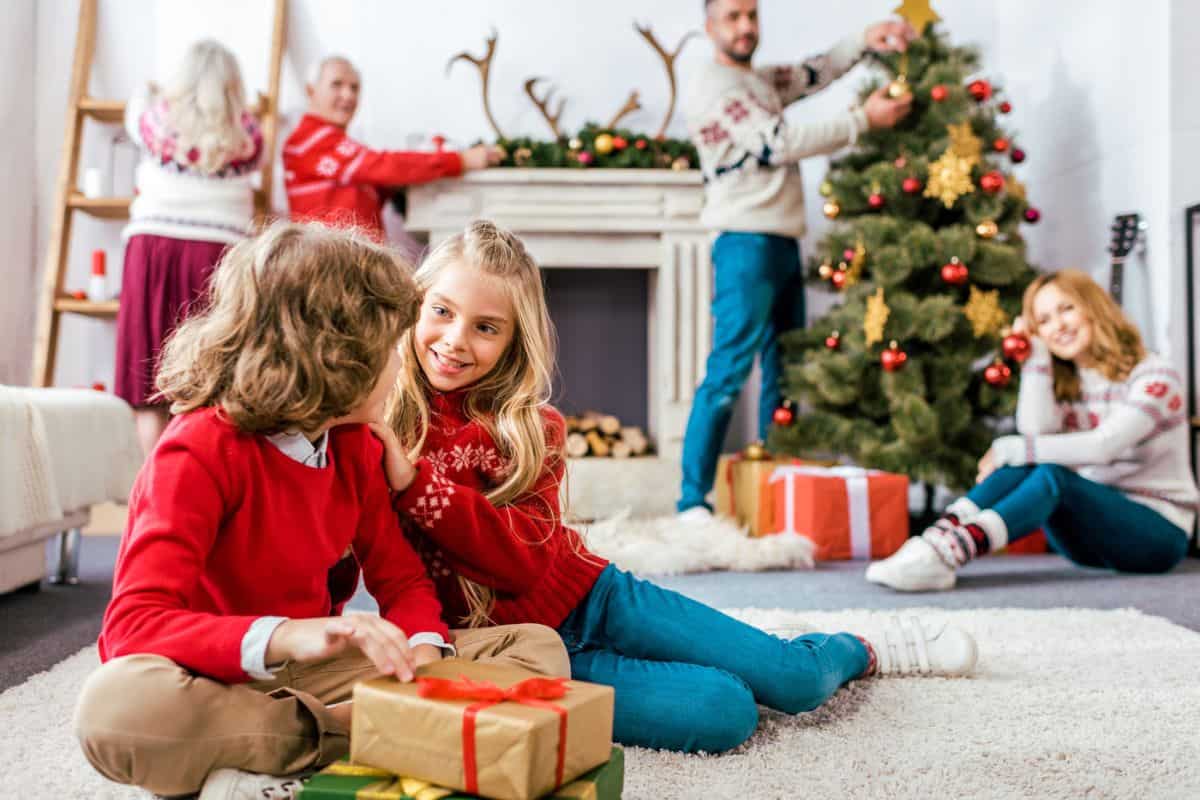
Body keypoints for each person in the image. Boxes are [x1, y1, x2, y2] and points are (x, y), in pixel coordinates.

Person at [373, 220, 978, 755]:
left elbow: (524, 566)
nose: (455, 340)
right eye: (442, 312)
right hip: (520, 652)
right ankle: (730, 663)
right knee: (725, 711)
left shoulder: (534, 428)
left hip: (599, 597)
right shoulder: (378, 424)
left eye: (485, 327)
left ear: (512, 343)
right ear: (415, 307)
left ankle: (859, 646)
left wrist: (417, 484)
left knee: (795, 681)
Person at [74, 223, 569, 800]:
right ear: (334, 358)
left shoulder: (355, 444)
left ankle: (294, 749)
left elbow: (402, 577)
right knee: (114, 710)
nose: (400, 364)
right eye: (388, 348)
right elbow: (133, 628)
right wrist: (287, 635)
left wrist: (424, 648)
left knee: (536, 649)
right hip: (208, 674)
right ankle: (372, 732)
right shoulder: (198, 447)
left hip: (310, 675)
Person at [677, 0, 916, 519]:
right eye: (733, 16)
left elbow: (816, 71)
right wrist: (863, 120)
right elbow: (776, 142)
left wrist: (865, 38)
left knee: (786, 369)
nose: (745, 26)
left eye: (752, 15)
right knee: (729, 369)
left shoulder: (758, 81)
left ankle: (775, 486)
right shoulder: (714, 87)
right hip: (745, 241)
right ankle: (691, 501)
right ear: (710, 26)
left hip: (781, 239)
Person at [867, 269, 1198, 592]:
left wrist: (1009, 448)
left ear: (1094, 307)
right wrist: (1036, 358)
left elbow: (1105, 446)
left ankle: (951, 551)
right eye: (1044, 321)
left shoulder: (1155, 375)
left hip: (1158, 535)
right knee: (1030, 461)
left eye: (1067, 309)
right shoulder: (1066, 382)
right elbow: (1034, 431)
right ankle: (934, 541)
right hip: (1087, 537)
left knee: (1050, 472)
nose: (1058, 326)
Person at [116, 39, 263, 457]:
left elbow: (135, 108)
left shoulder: (153, 120)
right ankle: (202, 482)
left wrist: (150, 91)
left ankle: (153, 485)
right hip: (220, 253)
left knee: (149, 380)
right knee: (212, 375)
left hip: (154, 248)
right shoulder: (249, 135)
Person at [283, 55, 502, 238]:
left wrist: (427, 157)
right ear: (311, 91)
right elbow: (385, 166)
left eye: (355, 88)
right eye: (337, 84)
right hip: (333, 267)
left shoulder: (335, 146)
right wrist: (460, 160)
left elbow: (380, 179)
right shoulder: (310, 141)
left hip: (348, 264)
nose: (348, 95)